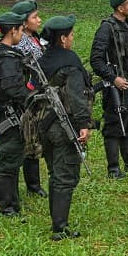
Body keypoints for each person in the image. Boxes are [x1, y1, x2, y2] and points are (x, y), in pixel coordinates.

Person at [34, 15, 92, 240]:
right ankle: (60, 228)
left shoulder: (41, 60)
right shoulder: (70, 62)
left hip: (43, 126)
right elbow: (77, 98)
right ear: (63, 38)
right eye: (71, 34)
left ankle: (57, 221)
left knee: (54, 173)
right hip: (63, 126)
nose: (73, 38)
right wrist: (84, 125)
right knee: (65, 176)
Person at [90, 0, 128, 178]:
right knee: (114, 125)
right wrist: (113, 78)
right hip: (116, 86)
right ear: (121, 8)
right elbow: (96, 60)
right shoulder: (107, 28)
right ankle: (113, 168)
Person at [0, 10, 29, 216]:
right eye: (21, 30)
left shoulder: (1, 52)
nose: (22, 34)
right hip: (7, 114)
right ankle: (7, 207)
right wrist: (31, 95)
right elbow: (13, 89)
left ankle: (13, 201)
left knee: (13, 159)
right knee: (8, 160)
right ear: (13, 30)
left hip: (6, 112)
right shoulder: (7, 58)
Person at [11, 0, 47, 198]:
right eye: (35, 17)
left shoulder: (36, 38)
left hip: (39, 96)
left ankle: (34, 183)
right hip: (27, 97)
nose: (39, 20)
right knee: (28, 139)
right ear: (23, 23)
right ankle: (32, 185)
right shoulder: (20, 44)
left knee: (35, 138)